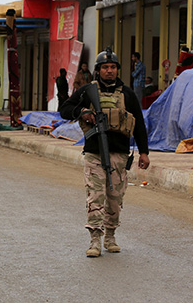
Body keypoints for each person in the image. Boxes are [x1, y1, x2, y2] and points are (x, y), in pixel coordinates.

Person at [59, 48, 150, 258]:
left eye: (112, 67)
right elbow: (65, 108)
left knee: (115, 198)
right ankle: (95, 240)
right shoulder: (87, 91)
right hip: (94, 152)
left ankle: (110, 236)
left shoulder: (127, 94)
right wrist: (81, 111)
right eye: (105, 67)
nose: (109, 71)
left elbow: (139, 124)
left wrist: (144, 152)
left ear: (117, 69)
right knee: (95, 196)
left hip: (119, 153)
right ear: (98, 70)